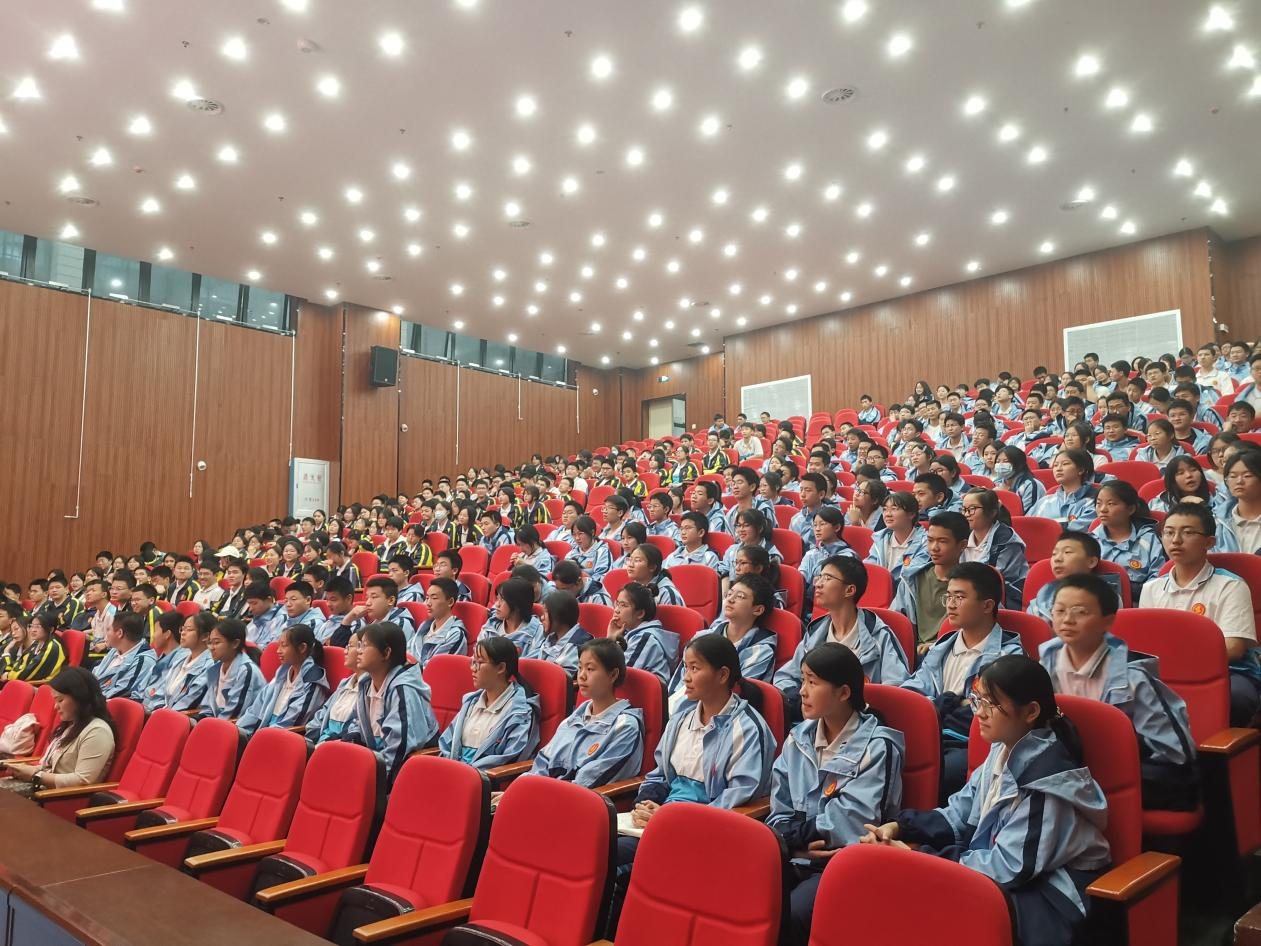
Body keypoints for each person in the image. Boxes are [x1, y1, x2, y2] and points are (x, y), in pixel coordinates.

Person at [865, 656, 1111, 946]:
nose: (978, 713)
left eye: (991, 704)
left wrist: (920, 859)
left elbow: (1009, 867)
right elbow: (959, 813)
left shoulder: (1046, 780)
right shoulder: (1003, 749)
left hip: (1050, 896)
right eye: (977, 700)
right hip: (1007, 878)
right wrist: (900, 827)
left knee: (930, 911)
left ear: (1031, 711)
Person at [769, 643, 905, 946]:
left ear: (843, 693)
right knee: (740, 891)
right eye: (802, 680)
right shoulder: (798, 738)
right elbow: (779, 809)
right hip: (796, 855)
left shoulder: (876, 747)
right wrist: (794, 847)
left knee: (793, 914)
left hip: (846, 862)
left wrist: (792, 838)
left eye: (813, 682)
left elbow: (853, 821)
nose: (802, 691)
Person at [617, 634, 775, 870]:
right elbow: (660, 775)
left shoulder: (748, 728)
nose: (686, 677)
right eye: (685, 667)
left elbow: (739, 797)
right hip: (664, 818)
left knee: (610, 854)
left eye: (695, 668)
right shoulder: (680, 720)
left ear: (722, 675)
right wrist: (645, 803)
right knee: (597, 841)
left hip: (706, 830)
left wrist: (673, 819)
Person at [1040, 575, 1197, 810]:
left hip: (1130, 769)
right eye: (1059, 611)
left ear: (1108, 621)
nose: (1067, 620)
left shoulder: (1133, 678)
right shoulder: (1042, 668)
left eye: (1080, 612)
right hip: (1074, 767)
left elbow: (1177, 754)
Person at [901, 562, 1025, 796]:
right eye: (948, 596)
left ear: (987, 605)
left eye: (959, 597)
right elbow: (911, 693)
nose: (950, 604)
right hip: (929, 735)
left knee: (941, 773)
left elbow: (985, 713)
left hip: (969, 744)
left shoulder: (1009, 658)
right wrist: (947, 704)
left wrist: (938, 708)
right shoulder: (941, 647)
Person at [1140, 502, 1260, 726]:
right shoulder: (1151, 588)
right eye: (1169, 532)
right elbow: (1146, 646)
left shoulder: (1230, 585)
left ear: (1209, 542)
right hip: (1167, 670)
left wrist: (1178, 658)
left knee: (1236, 698)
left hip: (1227, 671)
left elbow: (1233, 648)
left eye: (1187, 532)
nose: (1176, 540)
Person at [776, 556, 910, 719]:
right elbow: (786, 677)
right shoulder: (815, 633)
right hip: (816, 721)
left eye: (827, 578)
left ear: (849, 590)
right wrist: (801, 703)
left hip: (862, 723)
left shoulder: (878, 636)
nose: (818, 584)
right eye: (819, 577)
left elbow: (897, 688)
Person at [529, 638, 645, 786]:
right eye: (580, 668)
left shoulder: (625, 726)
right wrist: (524, 788)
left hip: (575, 797)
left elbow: (590, 780)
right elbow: (543, 762)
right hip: (548, 791)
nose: (581, 676)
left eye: (590, 669)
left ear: (613, 675)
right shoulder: (574, 718)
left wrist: (543, 792)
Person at [345, 622, 439, 785]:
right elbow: (355, 723)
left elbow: (399, 749)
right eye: (359, 645)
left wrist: (370, 783)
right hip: (374, 763)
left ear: (386, 653)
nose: (359, 651)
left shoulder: (403, 690)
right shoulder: (366, 684)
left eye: (365, 646)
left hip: (404, 775)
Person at [667, 575, 778, 712]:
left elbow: (733, 694)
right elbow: (679, 683)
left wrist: (678, 713)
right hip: (678, 709)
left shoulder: (761, 651)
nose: (730, 599)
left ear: (758, 610)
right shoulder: (701, 638)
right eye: (729, 594)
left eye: (740, 596)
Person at [2, 668, 115, 793]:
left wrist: (35, 775)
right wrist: (23, 770)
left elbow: (82, 780)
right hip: (44, 787)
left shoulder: (97, 731)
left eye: (60, 700)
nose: (56, 707)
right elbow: (49, 766)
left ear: (80, 698)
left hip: (60, 797)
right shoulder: (71, 725)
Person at [440, 635, 540, 769]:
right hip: (455, 772)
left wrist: (469, 773)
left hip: (486, 779)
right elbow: (447, 743)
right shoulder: (470, 702)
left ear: (501, 668)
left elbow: (510, 758)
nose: (473, 668)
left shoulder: (520, 712)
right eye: (473, 662)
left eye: (479, 663)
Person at [892, 512, 969, 654]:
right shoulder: (912, 579)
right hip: (914, 653)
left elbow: (980, 628)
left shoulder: (973, 584)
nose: (934, 547)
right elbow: (896, 623)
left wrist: (935, 646)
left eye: (943, 541)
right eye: (930, 540)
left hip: (953, 652)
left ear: (962, 545)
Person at [236, 624, 331, 735]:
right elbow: (255, 710)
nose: (278, 651)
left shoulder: (312, 680)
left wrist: (259, 736)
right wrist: (239, 729)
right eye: (279, 645)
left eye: (284, 646)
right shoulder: (281, 674)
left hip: (281, 737)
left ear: (302, 648)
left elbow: (292, 721)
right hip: (261, 733)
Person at [1090, 480, 1167, 601]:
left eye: (1111, 504)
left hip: (1140, 602)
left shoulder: (1148, 538)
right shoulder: (1091, 541)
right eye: (1099, 503)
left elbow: (1158, 577)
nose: (1103, 509)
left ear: (1130, 509)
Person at [959, 489, 1028, 610]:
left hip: (1004, 598)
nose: (966, 514)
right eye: (964, 509)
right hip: (969, 596)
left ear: (992, 512)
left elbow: (993, 578)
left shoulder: (1006, 540)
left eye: (972, 509)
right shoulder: (962, 537)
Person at [608, 582, 680, 686]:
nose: (616, 610)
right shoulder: (628, 632)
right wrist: (611, 638)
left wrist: (610, 642)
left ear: (640, 613)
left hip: (647, 694)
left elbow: (617, 675)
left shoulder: (645, 638)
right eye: (617, 604)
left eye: (623, 605)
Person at [145, 611, 215, 712]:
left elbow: (188, 702)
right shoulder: (180, 661)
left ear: (205, 636)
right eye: (182, 629)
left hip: (178, 717)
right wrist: (153, 709)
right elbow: (162, 692)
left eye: (189, 629)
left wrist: (159, 714)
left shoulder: (209, 667)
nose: (183, 633)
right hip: (161, 712)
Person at [306, 627, 365, 743]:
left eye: (350, 646)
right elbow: (322, 714)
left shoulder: (371, 688)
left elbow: (356, 730)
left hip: (342, 746)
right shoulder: (345, 684)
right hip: (320, 743)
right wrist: (309, 741)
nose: (345, 651)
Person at [197, 619, 266, 720]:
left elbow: (234, 713)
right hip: (217, 721)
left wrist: (210, 725)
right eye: (210, 643)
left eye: (216, 642)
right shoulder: (215, 668)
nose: (211, 647)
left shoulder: (246, 671)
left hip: (238, 725)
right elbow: (208, 707)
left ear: (235, 643)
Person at [330, 576, 416, 648]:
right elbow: (340, 649)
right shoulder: (374, 622)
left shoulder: (400, 625)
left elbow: (384, 658)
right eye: (367, 598)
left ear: (390, 600)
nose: (367, 603)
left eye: (374, 597)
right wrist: (348, 619)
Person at [798, 506, 855, 613]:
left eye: (822, 524)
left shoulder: (848, 557)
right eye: (815, 525)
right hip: (809, 607)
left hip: (837, 608)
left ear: (837, 527)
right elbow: (800, 581)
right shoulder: (811, 554)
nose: (817, 529)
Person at [865, 492, 929, 585]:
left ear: (911, 514)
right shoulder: (880, 539)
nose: (887, 514)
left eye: (894, 509)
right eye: (885, 509)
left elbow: (909, 576)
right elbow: (870, 567)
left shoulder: (925, 543)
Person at [479, 577, 546, 657]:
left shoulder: (536, 632)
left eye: (502, 600)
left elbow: (532, 662)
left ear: (517, 605)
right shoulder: (491, 626)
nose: (497, 604)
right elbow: (478, 658)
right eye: (497, 599)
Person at [409, 578, 468, 667]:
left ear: (450, 602)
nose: (428, 603)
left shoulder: (455, 635)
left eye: (434, 598)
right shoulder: (424, 626)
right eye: (427, 598)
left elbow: (435, 668)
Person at [537, 590, 593, 679]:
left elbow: (561, 678)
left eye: (546, 613)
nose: (542, 617)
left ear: (558, 616)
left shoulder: (579, 645)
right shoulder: (550, 637)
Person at [8, 612, 66, 684]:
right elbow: (21, 663)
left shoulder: (52, 647)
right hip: (25, 681)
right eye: (31, 626)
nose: (33, 630)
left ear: (51, 629)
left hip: (42, 685)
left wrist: (8, 675)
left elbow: (29, 673)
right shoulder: (36, 643)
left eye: (38, 627)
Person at [993, 445, 1046, 514]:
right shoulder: (997, 484)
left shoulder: (1031, 485)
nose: (1000, 465)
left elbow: (1027, 515)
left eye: (1006, 461)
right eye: (998, 462)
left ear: (1018, 464)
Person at [567, 515, 614, 582]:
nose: (577, 538)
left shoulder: (602, 551)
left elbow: (601, 577)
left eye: (580, 534)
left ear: (592, 533)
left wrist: (582, 582)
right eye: (574, 534)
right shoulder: (573, 552)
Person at [243, 582, 286, 649]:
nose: (250, 609)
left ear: (269, 599)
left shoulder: (281, 619)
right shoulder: (258, 615)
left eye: (254, 603)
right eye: (249, 604)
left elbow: (271, 649)